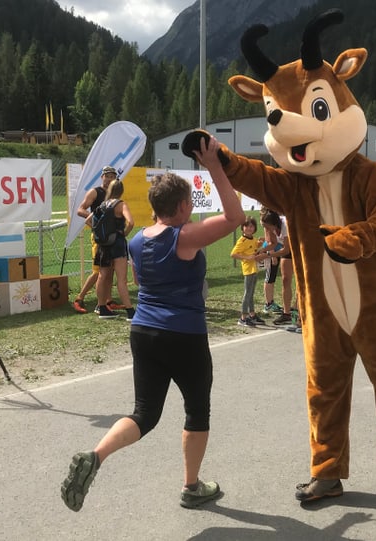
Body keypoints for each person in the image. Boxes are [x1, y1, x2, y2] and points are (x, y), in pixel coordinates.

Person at [61, 135, 244, 512]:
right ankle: (192, 486)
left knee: (144, 413)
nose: (192, 209)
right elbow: (236, 218)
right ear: (181, 206)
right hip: (185, 335)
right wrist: (214, 169)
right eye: (190, 203)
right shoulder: (185, 236)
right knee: (197, 411)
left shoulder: (138, 241)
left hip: (143, 331)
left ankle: (96, 456)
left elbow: (145, 283)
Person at [72, 165, 119, 314]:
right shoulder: (95, 192)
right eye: (107, 176)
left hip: (110, 236)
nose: (110, 178)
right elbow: (80, 210)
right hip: (99, 236)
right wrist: (95, 219)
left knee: (110, 269)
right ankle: (79, 298)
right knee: (98, 271)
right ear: (102, 177)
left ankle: (108, 300)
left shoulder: (113, 195)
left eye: (112, 176)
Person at [86, 180, 135, 319]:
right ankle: (130, 311)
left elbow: (88, 220)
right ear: (121, 191)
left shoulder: (102, 205)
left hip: (103, 245)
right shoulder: (121, 205)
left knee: (102, 276)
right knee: (121, 279)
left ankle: (102, 308)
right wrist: (124, 233)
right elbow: (131, 222)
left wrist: (98, 232)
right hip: (117, 244)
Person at [260, 209, 295, 325]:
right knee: (286, 280)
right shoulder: (269, 227)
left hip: (298, 247)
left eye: (267, 227)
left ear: (274, 224)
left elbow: (286, 248)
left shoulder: (285, 225)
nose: (266, 229)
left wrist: (269, 254)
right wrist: (261, 251)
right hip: (287, 250)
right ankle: (287, 313)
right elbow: (273, 244)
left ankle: (298, 307)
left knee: (301, 279)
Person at [230, 216, 266, 326]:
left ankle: (252, 314)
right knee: (247, 294)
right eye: (247, 226)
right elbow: (233, 254)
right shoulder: (242, 241)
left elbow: (255, 246)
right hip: (248, 270)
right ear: (242, 228)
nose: (249, 228)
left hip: (254, 269)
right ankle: (243, 317)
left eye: (251, 226)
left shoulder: (253, 239)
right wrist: (247, 258)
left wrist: (260, 243)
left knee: (251, 293)